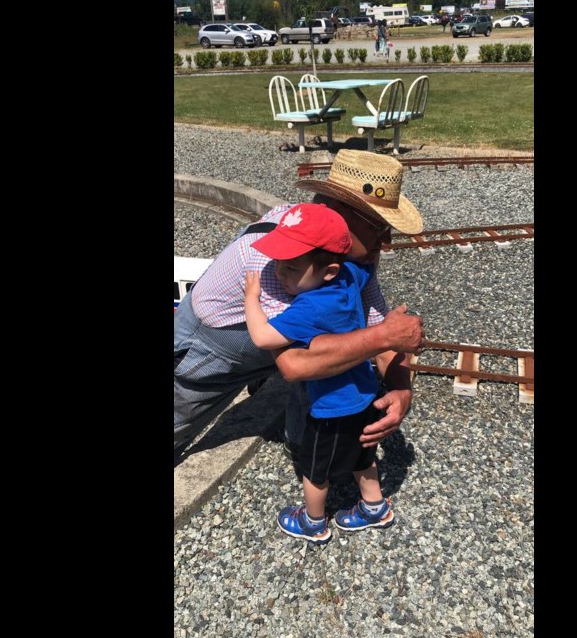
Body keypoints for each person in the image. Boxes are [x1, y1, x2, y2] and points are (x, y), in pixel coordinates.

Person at [174, 149, 425, 461]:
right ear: (338, 212)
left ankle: (307, 453)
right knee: (178, 421)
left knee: (335, 351)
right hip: (214, 344)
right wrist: (384, 338)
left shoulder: (349, 254)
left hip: (268, 336)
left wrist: (401, 388)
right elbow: (296, 364)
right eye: (378, 225)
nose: (385, 239)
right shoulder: (279, 260)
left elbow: (375, 321)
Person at [243, 203, 394, 544]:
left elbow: (262, 336)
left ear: (327, 271)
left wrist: (252, 298)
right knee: (363, 455)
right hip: (366, 393)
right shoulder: (348, 278)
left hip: (330, 408)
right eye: (281, 263)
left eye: (292, 267)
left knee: (315, 470)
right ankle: (374, 507)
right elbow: (367, 264)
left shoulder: (310, 306)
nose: (280, 273)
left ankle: (313, 522)